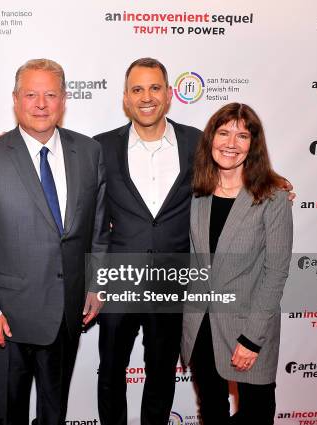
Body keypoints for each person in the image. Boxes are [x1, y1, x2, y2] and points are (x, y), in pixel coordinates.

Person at [0, 58, 108, 425]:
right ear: (15, 99)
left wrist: (97, 284)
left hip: (66, 314)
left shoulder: (90, 153)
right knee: (9, 414)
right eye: (31, 94)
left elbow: (100, 227)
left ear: (63, 100)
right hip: (7, 320)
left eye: (50, 94)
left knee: (54, 413)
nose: (41, 104)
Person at [93, 58, 202, 425]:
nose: (146, 97)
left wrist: (272, 179)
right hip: (118, 281)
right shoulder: (101, 148)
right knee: (110, 374)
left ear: (169, 94)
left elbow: (234, 167)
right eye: (137, 89)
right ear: (125, 98)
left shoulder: (196, 142)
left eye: (154, 87)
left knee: (160, 374)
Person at [180, 103, 293, 425]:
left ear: (253, 144)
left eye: (242, 135)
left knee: (257, 412)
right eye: (224, 132)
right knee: (211, 410)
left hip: (250, 325)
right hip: (201, 324)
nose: (231, 143)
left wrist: (252, 338)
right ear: (210, 138)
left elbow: (276, 273)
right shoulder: (196, 192)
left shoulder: (272, 196)